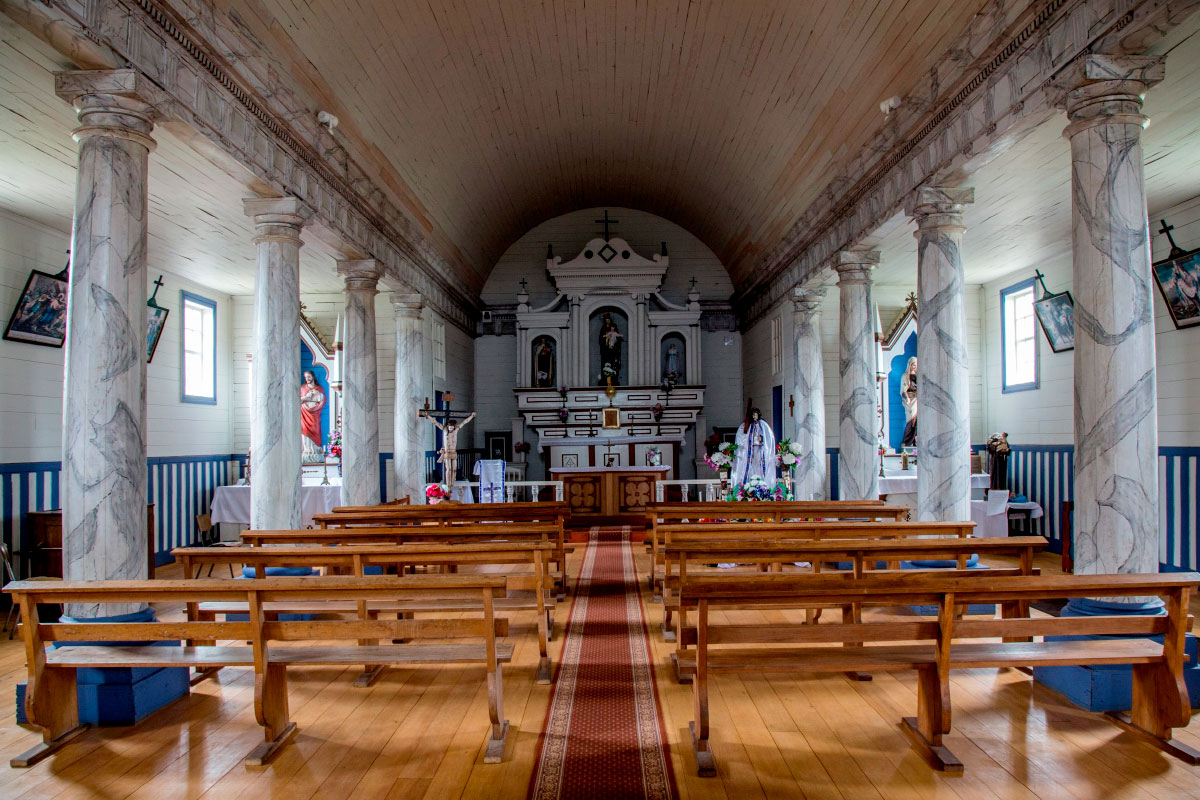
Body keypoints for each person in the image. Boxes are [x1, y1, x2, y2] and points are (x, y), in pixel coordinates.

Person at [732, 405, 776, 486]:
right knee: (750, 468)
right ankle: (748, 485)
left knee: (759, 468)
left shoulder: (763, 425)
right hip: (749, 452)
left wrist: (762, 439)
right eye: (753, 415)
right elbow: (741, 439)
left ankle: (762, 485)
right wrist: (750, 440)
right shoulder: (745, 426)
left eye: (756, 414)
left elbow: (768, 438)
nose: (754, 416)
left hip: (759, 451)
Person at [300, 370, 326, 462]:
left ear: (313, 377)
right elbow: (298, 400)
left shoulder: (319, 388)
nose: (307, 379)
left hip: (315, 414)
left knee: (316, 431)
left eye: (309, 377)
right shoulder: (302, 388)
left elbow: (323, 400)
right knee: (305, 431)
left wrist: (318, 394)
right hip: (304, 414)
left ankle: (315, 450)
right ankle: (307, 450)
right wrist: (307, 397)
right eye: (306, 377)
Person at [598, 312, 623, 384]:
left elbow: (618, 338)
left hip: (613, 350)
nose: (607, 322)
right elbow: (601, 339)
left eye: (608, 320)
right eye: (606, 320)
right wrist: (606, 339)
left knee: (614, 364)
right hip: (606, 351)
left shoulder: (614, 330)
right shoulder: (603, 329)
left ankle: (614, 380)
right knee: (605, 364)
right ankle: (605, 380)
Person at [900, 356, 918, 447]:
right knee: (910, 420)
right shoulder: (905, 376)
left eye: (916, 365)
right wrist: (907, 398)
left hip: (917, 400)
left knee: (917, 420)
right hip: (910, 401)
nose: (914, 367)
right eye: (913, 365)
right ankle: (906, 442)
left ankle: (915, 441)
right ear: (910, 365)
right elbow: (903, 390)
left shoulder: (918, 376)